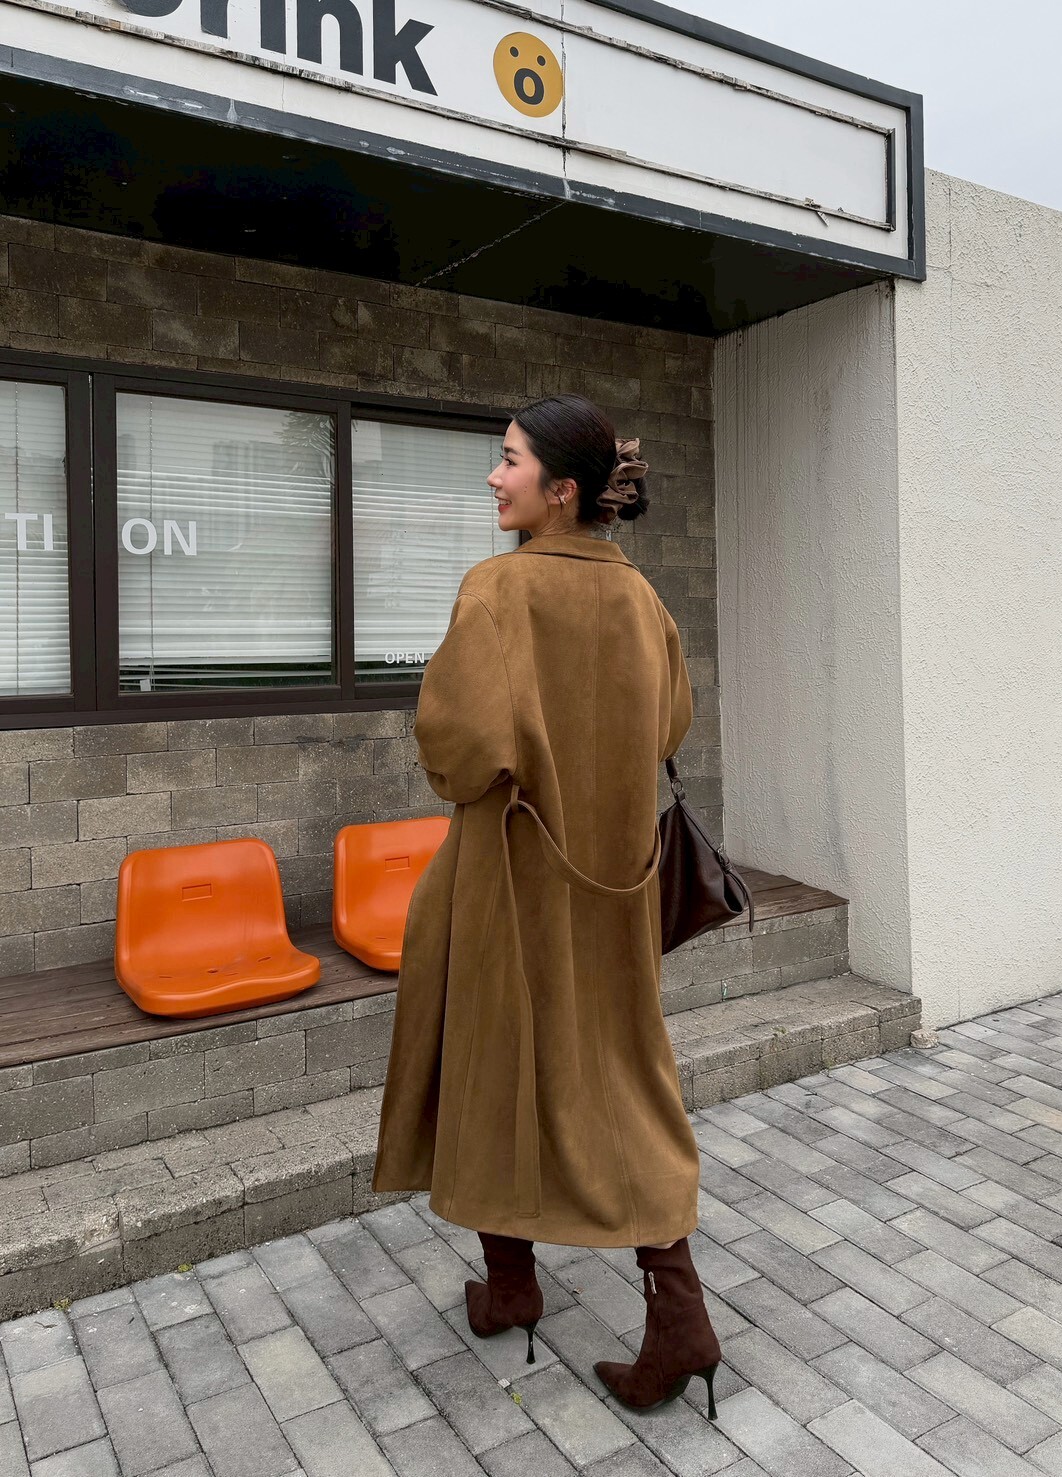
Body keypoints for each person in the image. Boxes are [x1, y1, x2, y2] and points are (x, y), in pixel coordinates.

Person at [372, 394, 722, 1418]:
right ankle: (611, 1299)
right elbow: (671, 721)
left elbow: (457, 754)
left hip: (506, 880)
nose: (494, 475)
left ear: (561, 490)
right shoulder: (641, 598)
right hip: (611, 891)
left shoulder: (498, 588)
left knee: (491, 1065)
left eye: (511, 460)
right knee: (618, 1071)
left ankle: (543, 1288)